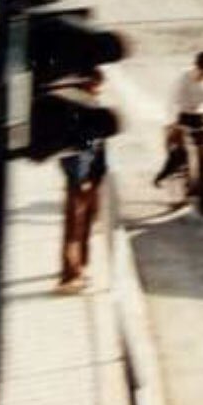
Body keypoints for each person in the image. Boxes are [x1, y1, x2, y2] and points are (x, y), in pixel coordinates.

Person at [153, 52, 203, 206]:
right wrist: (172, 123)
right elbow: (171, 100)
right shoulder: (184, 77)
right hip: (183, 116)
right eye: (202, 70)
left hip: (201, 116)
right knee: (179, 153)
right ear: (196, 66)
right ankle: (170, 175)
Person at [59, 69, 116, 292]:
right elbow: (68, 152)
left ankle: (81, 267)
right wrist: (80, 178)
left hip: (93, 177)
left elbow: (101, 147)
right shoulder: (73, 112)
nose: (97, 90)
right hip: (79, 180)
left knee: (87, 225)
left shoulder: (95, 107)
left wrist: (98, 175)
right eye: (94, 86)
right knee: (74, 228)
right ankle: (69, 275)